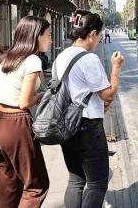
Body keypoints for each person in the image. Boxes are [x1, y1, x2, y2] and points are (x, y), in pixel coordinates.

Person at [57, 10, 124, 208]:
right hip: (88, 127)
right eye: (99, 35)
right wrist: (116, 68)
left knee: (76, 180)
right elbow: (107, 94)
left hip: (67, 124)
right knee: (97, 183)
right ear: (93, 34)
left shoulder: (61, 56)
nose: (99, 39)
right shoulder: (89, 59)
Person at [0, 16, 51, 207]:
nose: (51, 40)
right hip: (17, 124)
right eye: (48, 35)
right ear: (36, 36)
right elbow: (25, 102)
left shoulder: (5, 58)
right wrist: (40, 95)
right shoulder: (32, 60)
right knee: (36, 186)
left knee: (9, 186)